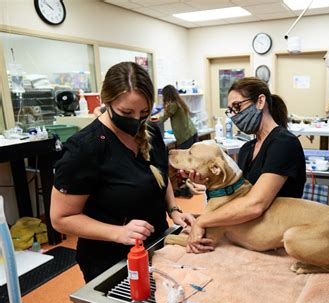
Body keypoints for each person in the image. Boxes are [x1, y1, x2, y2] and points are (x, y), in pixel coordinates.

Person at [50, 62, 195, 282]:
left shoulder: (151, 132)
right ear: (105, 101)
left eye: (144, 112)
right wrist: (118, 233)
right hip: (109, 260)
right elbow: (61, 218)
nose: (136, 120)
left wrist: (174, 210)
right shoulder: (85, 149)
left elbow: (159, 176)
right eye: (126, 112)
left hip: (156, 247)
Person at [181, 77, 306, 253]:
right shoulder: (247, 148)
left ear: (260, 101)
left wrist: (203, 221)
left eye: (237, 107)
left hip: (278, 239)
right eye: (231, 111)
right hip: (249, 237)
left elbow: (255, 204)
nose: (235, 116)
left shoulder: (284, 144)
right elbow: (236, 197)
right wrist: (208, 183)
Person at [156, 84, 198, 150]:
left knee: (183, 158)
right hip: (192, 133)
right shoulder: (179, 102)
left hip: (185, 137)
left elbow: (163, 119)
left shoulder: (173, 105)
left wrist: (152, 119)